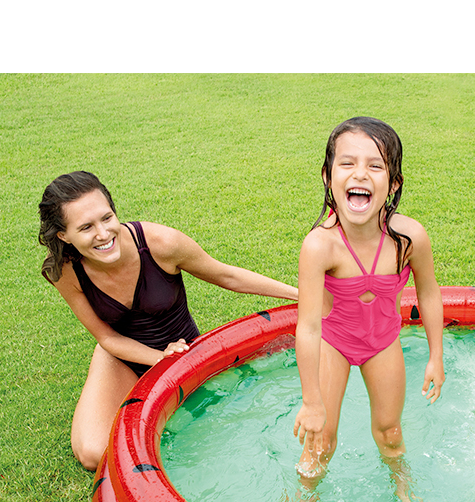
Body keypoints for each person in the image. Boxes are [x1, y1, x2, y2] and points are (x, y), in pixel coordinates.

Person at [38, 170, 298, 471]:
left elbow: (226, 276)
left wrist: (301, 295)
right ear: (63, 235)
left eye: (107, 218)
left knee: (205, 438)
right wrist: (159, 358)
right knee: (93, 454)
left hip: (183, 354)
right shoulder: (65, 271)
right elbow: (107, 337)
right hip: (122, 356)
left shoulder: (160, 243)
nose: (103, 233)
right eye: (86, 227)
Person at [288, 117, 444, 502]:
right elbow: (308, 328)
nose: (360, 173)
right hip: (333, 343)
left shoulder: (408, 238)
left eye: (375, 165)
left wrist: (436, 356)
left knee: (390, 432)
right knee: (321, 439)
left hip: (382, 342)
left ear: (393, 184)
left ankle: (404, 492)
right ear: (328, 177)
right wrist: (311, 400)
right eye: (347, 163)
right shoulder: (320, 246)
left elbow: (429, 294)